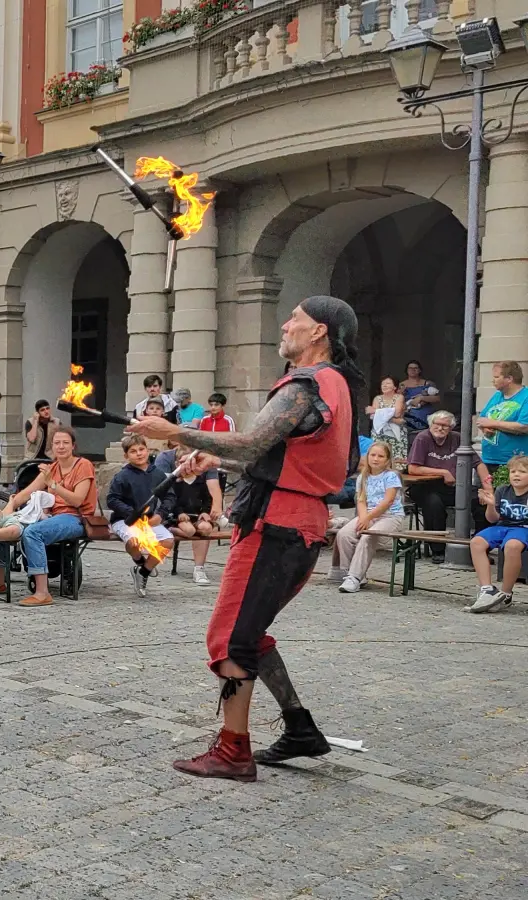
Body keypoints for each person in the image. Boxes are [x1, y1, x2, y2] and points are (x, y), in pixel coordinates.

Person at [127, 294, 361, 782]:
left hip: (276, 526)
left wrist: (177, 431)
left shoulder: (307, 383)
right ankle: (300, 728)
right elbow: (280, 459)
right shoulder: (334, 385)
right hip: (297, 521)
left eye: (294, 319)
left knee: (230, 638)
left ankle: (234, 751)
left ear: (319, 331)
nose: (285, 325)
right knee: (250, 633)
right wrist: (218, 460)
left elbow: (255, 442)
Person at [0, 425, 98, 608]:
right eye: (57, 443)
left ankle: (42, 592)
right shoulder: (52, 467)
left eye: (65, 443)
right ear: (51, 446)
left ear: (73, 446)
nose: (61, 446)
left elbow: (77, 501)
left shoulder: (83, 465)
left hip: (76, 517)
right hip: (53, 516)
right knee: (3, 529)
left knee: (33, 533)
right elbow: (27, 493)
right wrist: (10, 505)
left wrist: (53, 484)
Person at [329, 440, 403, 594]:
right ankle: (349, 572)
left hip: (389, 515)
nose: (375, 459)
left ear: (387, 460)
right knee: (344, 534)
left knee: (367, 537)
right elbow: (361, 500)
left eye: (380, 456)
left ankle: (355, 577)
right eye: (373, 455)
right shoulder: (363, 477)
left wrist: (368, 518)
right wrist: (363, 518)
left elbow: (388, 501)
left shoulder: (391, 476)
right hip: (368, 514)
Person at [106, 434, 175, 598]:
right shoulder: (122, 476)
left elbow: (170, 496)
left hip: (149, 519)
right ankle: (139, 561)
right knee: (133, 541)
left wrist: (161, 514)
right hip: (125, 520)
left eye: (141, 449)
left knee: (167, 541)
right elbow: (112, 499)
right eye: (133, 451)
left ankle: (143, 572)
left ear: (147, 450)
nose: (138, 454)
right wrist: (132, 513)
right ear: (126, 455)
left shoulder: (158, 474)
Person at [467, 454, 528, 613]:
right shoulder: (502, 490)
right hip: (503, 526)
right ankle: (487, 589)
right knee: (476, 542)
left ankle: (506, 594)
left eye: (522, 472)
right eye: (513, 471)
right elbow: (492, 519)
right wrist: (491, 505)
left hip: (524, 528)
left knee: (512, 546)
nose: (516, 475)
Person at [161, 447, 221, 587]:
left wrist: (205, 511)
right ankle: (170, 529)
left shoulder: (200, 481)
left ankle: (199, 569)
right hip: (179, 518)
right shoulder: (175, 483)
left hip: (196, 516)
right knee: (189, 531)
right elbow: (172, 501)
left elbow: (207, 499)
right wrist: (179, 513)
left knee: (206, 528)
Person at [405, 411, 460, 555]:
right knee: (434, 503)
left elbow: (477, 462)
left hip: (449, 487)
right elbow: (413, 468)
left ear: (451, 428)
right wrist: (443, 472)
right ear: (431, 424)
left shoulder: (457, 439)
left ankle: (478, 548)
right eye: (437, 424)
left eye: (445, 426)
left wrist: (486, 485)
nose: (440, 428)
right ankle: (438, 550)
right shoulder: (422, 438)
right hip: (424, 486)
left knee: (479, 501)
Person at [477, 361, 528, 479]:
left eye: (496, 377)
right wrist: (485, 428)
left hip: (512, 462)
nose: (493, 380)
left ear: (509, 378)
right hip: (488, 458)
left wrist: (493, 423)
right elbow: (482, 419)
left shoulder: (525, 397)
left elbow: (524, 426)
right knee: (486, 496)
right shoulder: (497, 396)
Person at [400, 359, 440, 432]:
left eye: (415, 368)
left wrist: (422, 398)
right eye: (410, 368)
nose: (413, 370)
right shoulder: (401, 385)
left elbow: (437, 398)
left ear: (420, 370)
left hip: (426, 415)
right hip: (408, 416)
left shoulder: (428, 383)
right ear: (407, 370)